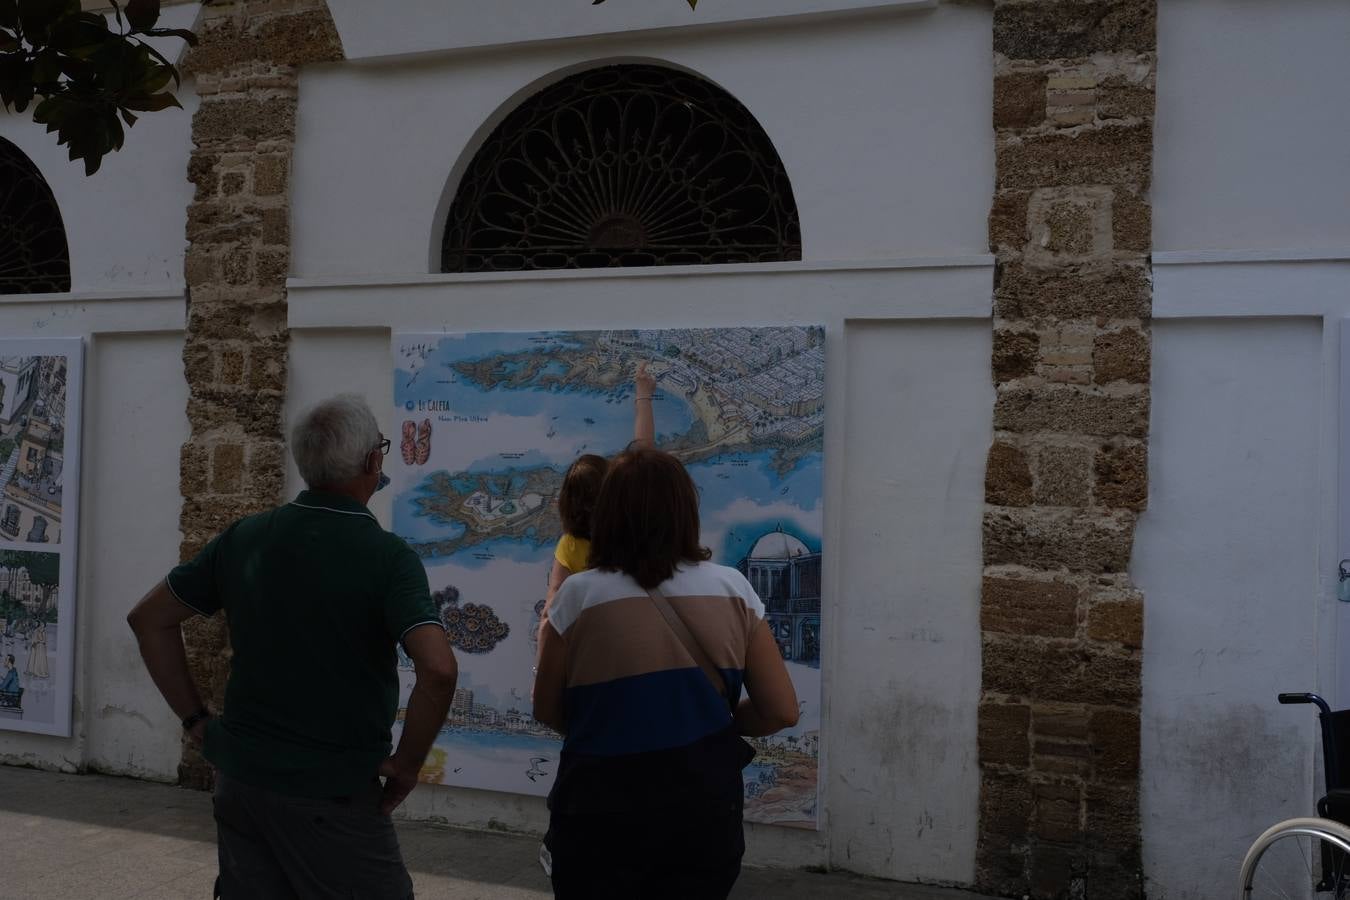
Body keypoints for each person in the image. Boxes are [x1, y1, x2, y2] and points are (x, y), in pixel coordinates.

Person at [127, 394, 458, 900]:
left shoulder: (245, 538)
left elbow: (149, 619)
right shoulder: (388, 558)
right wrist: (407, 766)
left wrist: (195, 721)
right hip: (332, 794)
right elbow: (437, 668)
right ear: (373, 462)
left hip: (242, 783)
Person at [532, 447, 800, 900]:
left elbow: (547, 708)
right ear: (684, 512)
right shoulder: (734, 589)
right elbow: (781, 711)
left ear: (611, 512)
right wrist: (715, 724)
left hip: (598, 807)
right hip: (702, 809)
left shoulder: (577, 596)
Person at [545, 362, 656, 608]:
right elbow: (644, 451)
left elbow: (554, 600)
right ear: (614, 492)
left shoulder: (570, 546)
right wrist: (644, 395)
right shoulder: (634, 531)